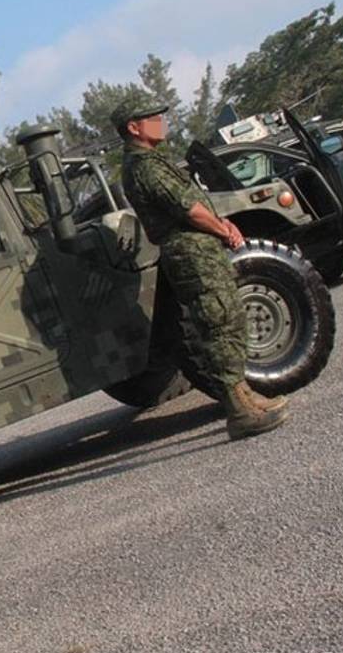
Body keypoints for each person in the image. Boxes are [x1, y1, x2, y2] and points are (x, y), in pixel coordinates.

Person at [111, 104, 289, 441]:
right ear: (134, 128)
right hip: (190, 251)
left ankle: (244, 396)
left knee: (228, 317)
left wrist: (220, 225)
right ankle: (240, 411)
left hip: (198, 249)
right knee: (218, 322)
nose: (162, 123)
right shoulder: (143, 166)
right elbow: (187, 209)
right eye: (153, 119)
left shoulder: (149, 161)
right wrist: (222, 229)